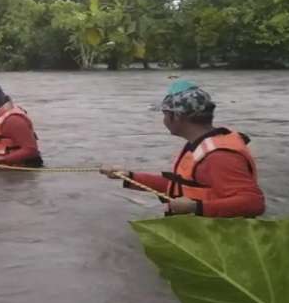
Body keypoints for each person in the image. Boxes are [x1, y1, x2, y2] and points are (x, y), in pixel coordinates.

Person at [100, 81, 265, 217]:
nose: (163, 119)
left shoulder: (219, 156)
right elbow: (180, 186)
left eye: (165, 114)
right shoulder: (200, 145)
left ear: (176, 117)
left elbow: (253, 203)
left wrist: (196, 207)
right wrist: (128, 177)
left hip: (218, 239)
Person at [0, 81, 44, 168]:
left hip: (21, 176)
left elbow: (31, 150)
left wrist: (3, 160)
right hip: (3, 173)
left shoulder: (13, 120)